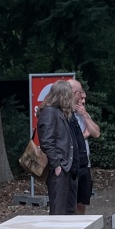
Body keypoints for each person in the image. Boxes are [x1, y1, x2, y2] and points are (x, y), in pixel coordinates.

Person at [36, 80, 78, 215]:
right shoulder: (50, 112)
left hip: (65, 166)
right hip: (59, 167)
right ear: (64, 96)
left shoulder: (59, 112)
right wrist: (57, 165)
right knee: (58, 210)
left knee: (66, 209)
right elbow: (46, 141)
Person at [69, 78, 100, 215]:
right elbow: (69, 140)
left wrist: (85, 115)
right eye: (80, 97)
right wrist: (84, 135)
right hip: (71, 164)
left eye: (84, 99)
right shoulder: (64, 114)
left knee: (82, 202)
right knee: (71, 202)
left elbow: (96, 133)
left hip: (85, 163)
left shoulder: (82, 114)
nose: (82, 101)